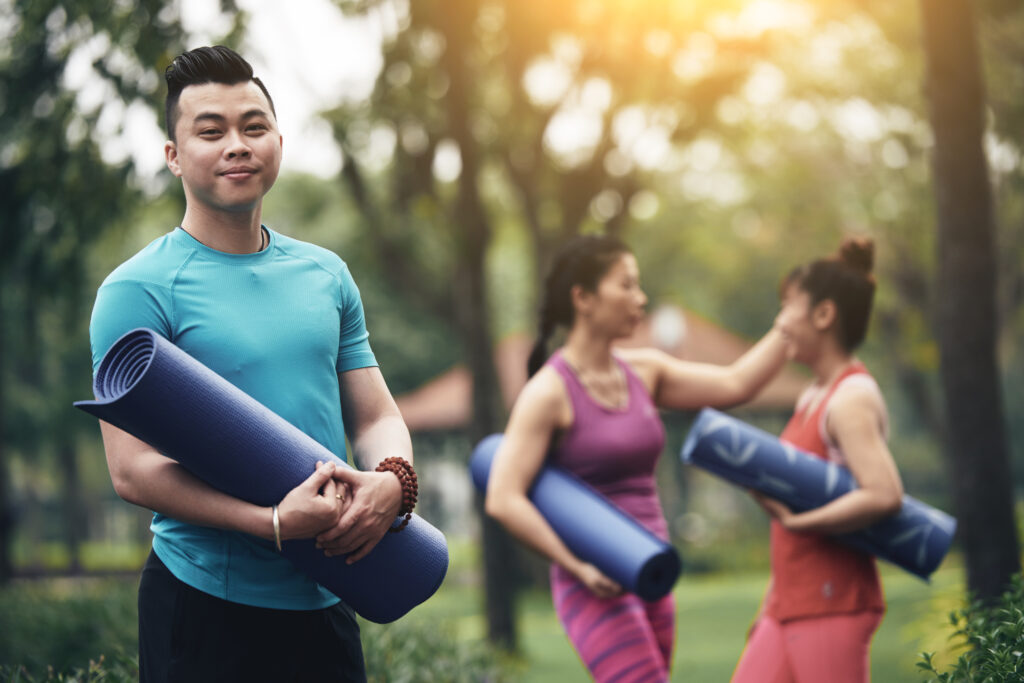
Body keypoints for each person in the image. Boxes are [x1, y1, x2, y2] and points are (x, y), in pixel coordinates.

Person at [87, 46, 414, 683]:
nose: (237, 144)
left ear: (279, 144)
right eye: (211, 131)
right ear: (174, 156)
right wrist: (270, 524)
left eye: (253, 127)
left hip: (327, 590)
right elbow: (132, 471)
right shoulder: (137, 290)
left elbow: (376, 415)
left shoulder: (326, 275)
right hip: (203, 602)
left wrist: (392, 481)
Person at [484, 235, 788, 682]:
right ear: (583, 298)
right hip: (593, 577)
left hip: (652, 566)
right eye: (627, 285)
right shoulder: (548, 392)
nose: (640, 299)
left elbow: (736, 384)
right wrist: (578, 567)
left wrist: (791, 324)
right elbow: (503, 498)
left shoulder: (646, 372)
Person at [730, 237, 904, 683]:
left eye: (788, 305)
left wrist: (802, 524)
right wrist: (773, 599)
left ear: (824, 315)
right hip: (790, 604)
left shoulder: (850, 399)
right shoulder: (814, 394)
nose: (779, 320)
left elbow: (884, 493)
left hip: (832, 602)